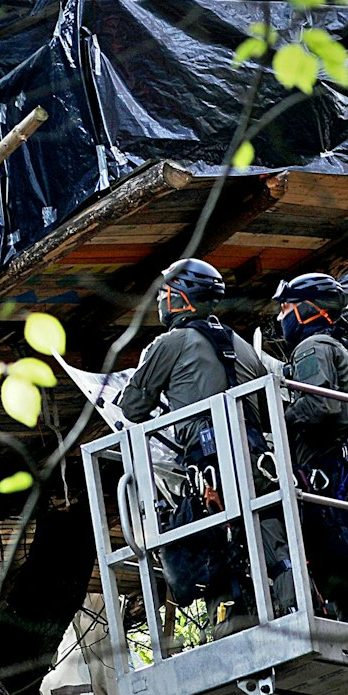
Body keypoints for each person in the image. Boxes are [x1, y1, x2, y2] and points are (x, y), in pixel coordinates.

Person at [116, 258, 289, 631]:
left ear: (182, 297)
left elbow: (132, 406)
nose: (161, 299)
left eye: (165, 292)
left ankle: (233, 626)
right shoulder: (242, 346)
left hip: (209, 465)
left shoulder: (172, 342)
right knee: (270, 543)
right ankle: (290, 607)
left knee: (216, 552)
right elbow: (261, 408)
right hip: (258, 459)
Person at [274, 272, 348, 613]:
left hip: (330, 468)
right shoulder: (342, 345)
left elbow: (320, 404)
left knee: (341, 551)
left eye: (286, 308)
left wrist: (278, 418)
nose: (282, 316)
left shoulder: (313, 346)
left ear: (307, 309)